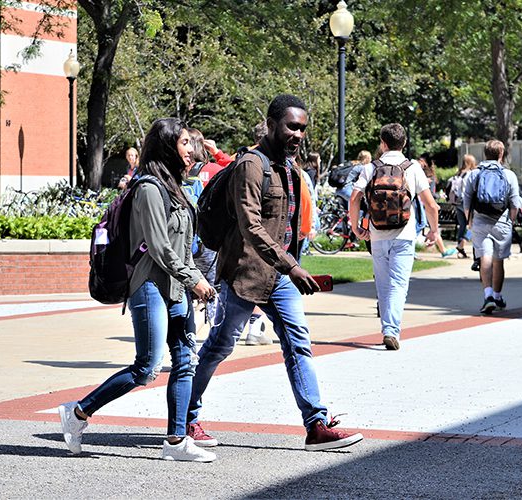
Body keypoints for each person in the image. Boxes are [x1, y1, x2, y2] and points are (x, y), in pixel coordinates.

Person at [185, 94, 363, 451]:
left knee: (298, 344)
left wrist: (291, 265)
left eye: (302, 129)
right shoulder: (251, 165)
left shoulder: (291, 168)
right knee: (219, 346)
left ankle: (316, 424)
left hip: (279, 278)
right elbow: (251, 225)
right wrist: (293, 265)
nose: (298, 134)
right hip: (243, 274)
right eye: (291, 127)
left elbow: (289, 225)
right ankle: (186, 417)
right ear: (271, 124)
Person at [58, 118, 217, 462]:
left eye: (193, 143)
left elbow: (184, 246)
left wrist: (193, 282)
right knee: (146, 367)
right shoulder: (148, 188)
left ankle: (176, 442)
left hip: (176, 288)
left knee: (186, 361)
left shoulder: (177, 187)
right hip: (148, 286)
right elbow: (159, 247)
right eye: (186, 143)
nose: (193, 149)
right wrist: (195, 280)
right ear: (167, 146)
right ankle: (78, 413)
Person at [350, 123, 439, 351]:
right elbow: (431, 205)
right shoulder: (412, 168)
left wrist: (356, 227)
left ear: (383, 143)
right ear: (404, 143)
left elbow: (354, 198)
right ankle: (391, 330)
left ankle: (387, 328)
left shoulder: (371, 167)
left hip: (377, 235)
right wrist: (433, 230)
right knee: (399, 284)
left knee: (383, 283)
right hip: (404, 234)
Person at [463, 139, 520, 314]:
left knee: (484, 256)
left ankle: (487, 295)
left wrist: (469, 220)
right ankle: (497, 295)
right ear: (501, 154)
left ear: (484, 154)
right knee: (498, 259)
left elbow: (466, 201)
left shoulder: (474, 174)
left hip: (480, 221)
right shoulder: (509, 175)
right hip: (501, 221)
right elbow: (515, 204)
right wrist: (511, 220)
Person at [418, 156, 456, 258]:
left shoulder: (427, 178)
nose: (419, 162)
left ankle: (442, 250)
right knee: (433, 229)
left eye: (421, 160)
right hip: (425, 206)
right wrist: (439, 196)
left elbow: (430, 194)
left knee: (433, 229)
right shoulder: (427, 177)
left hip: (425, 205)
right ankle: (443, 250)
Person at [448, 154, 477, 258]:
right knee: (472, 226)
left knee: (462, 226)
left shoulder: (459, 173)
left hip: (458, 202)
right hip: (467, 203)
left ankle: (461, 251)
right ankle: (461, 245)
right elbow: (468, 191)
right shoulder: (470, 174)